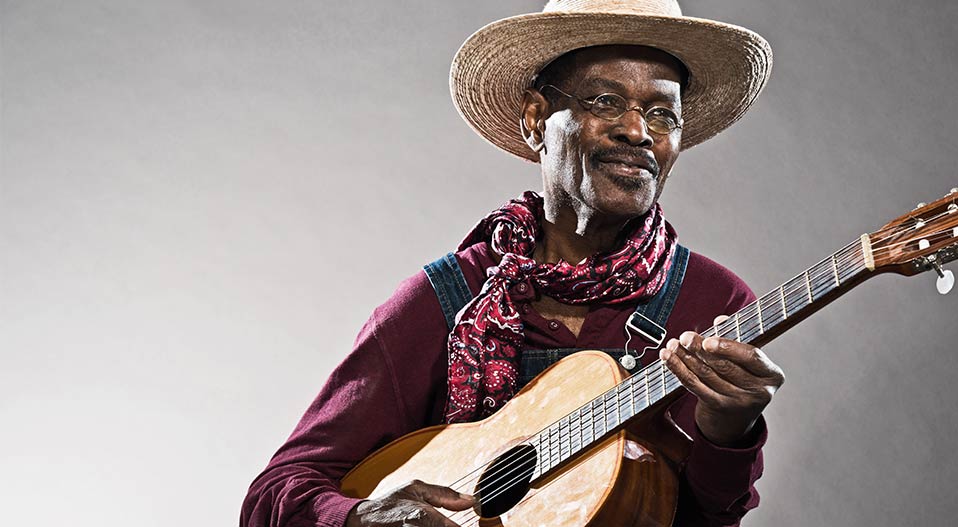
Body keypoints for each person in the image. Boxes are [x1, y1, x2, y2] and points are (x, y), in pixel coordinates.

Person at [242, 1, 785, 526]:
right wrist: (360, 518)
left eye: (663, 114)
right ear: (535, 119)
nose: (638, 131)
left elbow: (705, 516)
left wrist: (727, 432)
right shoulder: (444, 300)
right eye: (604, 102)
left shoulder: (714, 306)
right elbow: (275, 494)